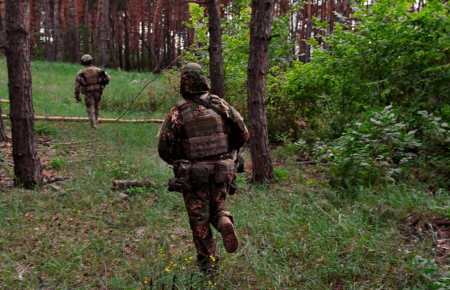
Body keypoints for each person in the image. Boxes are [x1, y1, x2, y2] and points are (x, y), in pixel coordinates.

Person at [158, 62, 249, 272]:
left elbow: (164, 147)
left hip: (193, 175)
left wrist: (178, 162)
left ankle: (209, 266)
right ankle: (224, 219)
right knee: (218, 204)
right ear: (203, 80)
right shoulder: (221, 104)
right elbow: (243, 133)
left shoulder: (178, 111)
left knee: (200, 219)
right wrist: (229, 152)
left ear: (184, 83)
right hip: (222, 170)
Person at [74, 54, 110, 128]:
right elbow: (108, 77)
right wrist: (104, 83)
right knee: (96, 106)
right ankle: (96, 122)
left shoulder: (81, 72)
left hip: (88, 91)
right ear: (91, 61)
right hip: (98, 90)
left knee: (90, 107)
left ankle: (93, 124)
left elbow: (77, 86)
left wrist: (77, 96)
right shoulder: (97, 70)